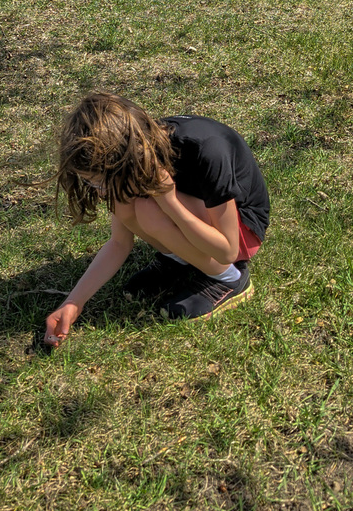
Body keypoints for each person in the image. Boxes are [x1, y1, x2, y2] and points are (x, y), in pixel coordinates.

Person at [44, 92, 270, 343]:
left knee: (148, 210)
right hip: (200, 218)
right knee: (126, 202)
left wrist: (170, 202)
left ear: (126, 159)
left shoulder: (206, 150)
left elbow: (228, 249)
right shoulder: (135, 148)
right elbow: (119, 243)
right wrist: (74, 302)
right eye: (91, 182)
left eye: (102, 181)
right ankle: (179, 260)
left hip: (241, 230)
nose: (101, 191)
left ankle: (229, 279)